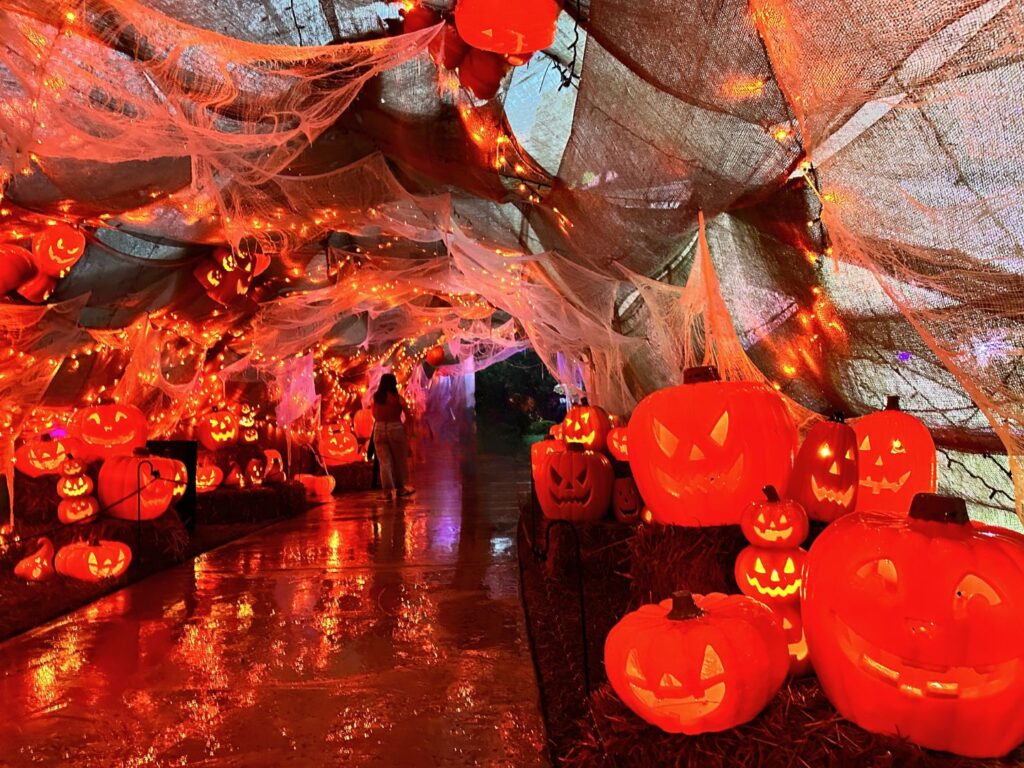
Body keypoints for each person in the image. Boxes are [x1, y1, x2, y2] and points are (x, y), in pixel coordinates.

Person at [371, 373, 414, 501]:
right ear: (394, 384)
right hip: (395, 428)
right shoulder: (398, 399)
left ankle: (387, 492)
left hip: (378, 429)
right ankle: (400, 489)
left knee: (384, 462)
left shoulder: (376, 398)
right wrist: (406, 427)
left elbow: (374, 414)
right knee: (399, 461)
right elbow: (409, 416)